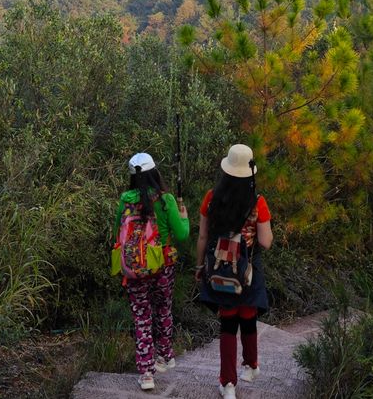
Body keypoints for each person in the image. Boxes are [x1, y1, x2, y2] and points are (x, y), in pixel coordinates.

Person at [195, 144, 273, 399]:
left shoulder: (211, 197)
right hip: (248, 270)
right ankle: (251, 365)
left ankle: (228, 384)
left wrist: (199, 267)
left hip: (220, 268)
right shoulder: (258, 202)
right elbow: (265, 242)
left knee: (228, 323)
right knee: (248, 316)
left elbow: (203, 236)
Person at [113, 152, 190, 391]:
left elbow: (117, 231)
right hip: (163, 266)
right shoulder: (165, 199)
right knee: (163, 309)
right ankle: (165, 355)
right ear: (155, 173)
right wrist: (184, 218)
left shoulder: (126, 199)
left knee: (141, 316)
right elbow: (182, 235)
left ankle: (146, 373)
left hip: (134, 268)